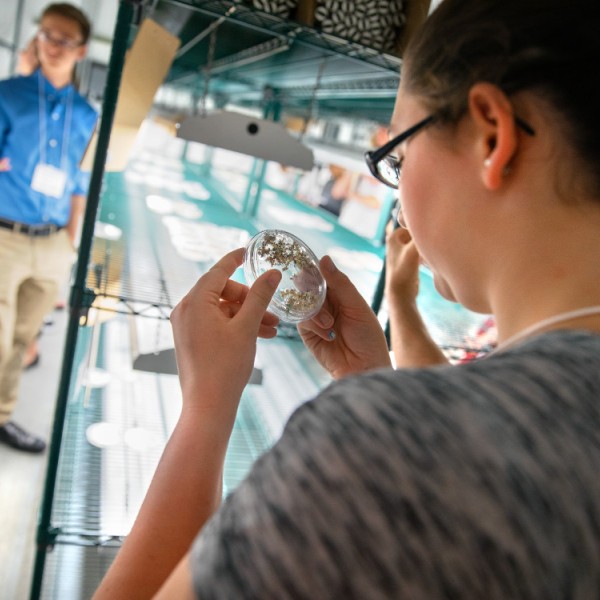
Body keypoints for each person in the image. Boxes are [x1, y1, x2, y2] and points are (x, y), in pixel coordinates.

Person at [94, 0, 600, 597]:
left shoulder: (370, 456)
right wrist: (379, 376)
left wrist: (206, 409)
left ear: (492, 134)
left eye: (399, 156)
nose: (399, 189)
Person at [0, 3, 97, 453]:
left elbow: (80, 181)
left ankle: (2, 417)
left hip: (54, 242)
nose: (53, 46)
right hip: (5, 236)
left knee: (22, 339)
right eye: (47, 35)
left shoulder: (86, 114)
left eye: (65, 40)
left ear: (81, 50)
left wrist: (71, 241)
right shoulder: (8, 94)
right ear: (37, 38)